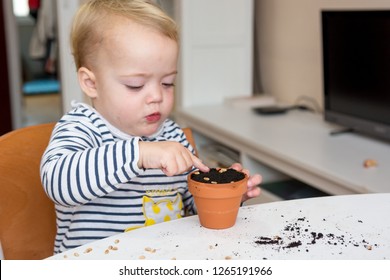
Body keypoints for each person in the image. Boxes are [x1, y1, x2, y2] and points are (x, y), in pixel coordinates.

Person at [40, 0, 262, 254]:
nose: (156, 95)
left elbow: (193, 205)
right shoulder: (81, 128)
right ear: (91, 83)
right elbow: (58, 183)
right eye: (136, 85)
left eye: (167, 83)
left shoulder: (172, 136)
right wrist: (141, 153)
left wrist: (225, 198)